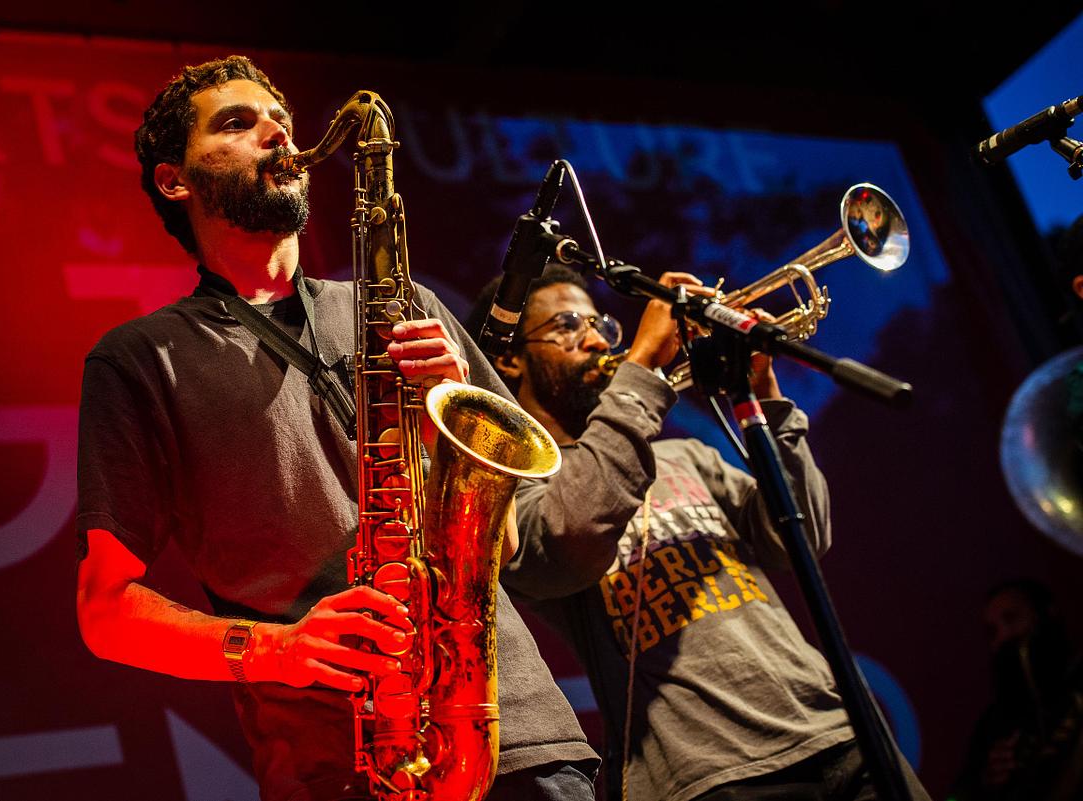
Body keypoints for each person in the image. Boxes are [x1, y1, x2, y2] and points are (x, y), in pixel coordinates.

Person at [74, 56, 598, 801]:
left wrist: (442, 406)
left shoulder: (405, 303)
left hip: (520, 734)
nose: (276, 131)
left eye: (279, 118)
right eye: (237, 122)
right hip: (348, 769)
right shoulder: (140, 358)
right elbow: (105, 611)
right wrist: (280, 647)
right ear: (174, 180)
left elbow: (502, 542)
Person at [467, 265, 931, 801]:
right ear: (509, 358)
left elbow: (802, 535)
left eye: (602, 324)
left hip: (842, 735)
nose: (596, 338)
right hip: (705, 776)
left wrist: (769, 399)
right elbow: (573, 531)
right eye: (569, 324)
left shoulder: (685, 455)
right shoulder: (516, 495)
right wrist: (640, 363)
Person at [949, 579, 1083, 801]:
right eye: (992, 631)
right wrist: (986, 781)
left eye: (1011, 619)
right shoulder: (993, 721)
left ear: (1046, 614)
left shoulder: (1077, 685)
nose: (1003, 636)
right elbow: (956, 796)